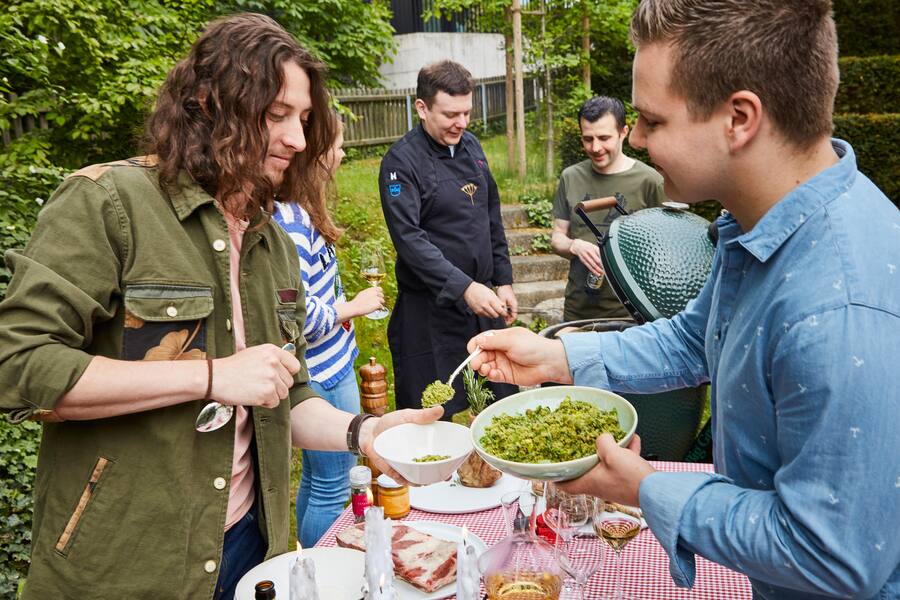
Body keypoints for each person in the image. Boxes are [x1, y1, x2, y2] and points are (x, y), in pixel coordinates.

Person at [467, 1, 900, 598]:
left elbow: (830, 555)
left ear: (739, 118)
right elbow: (696, 338)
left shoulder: (838, 309)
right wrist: (556, 359)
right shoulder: (758, 225)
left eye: (653, 120)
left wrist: (644, 489)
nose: (636, 139)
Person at [0, 14, 441, 600]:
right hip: (129, 560)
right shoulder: (109, 202)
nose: (297, 140)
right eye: (275, 114)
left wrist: (366, 432)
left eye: (304, 119)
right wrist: (211, 375)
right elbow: (19, 366)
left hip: (248, 545)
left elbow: (286, 391)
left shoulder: (274, 242)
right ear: (208, 104)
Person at [378, 60, 518, 417]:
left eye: (467, 113)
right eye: (451, 114)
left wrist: (502, 280)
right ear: (421, 108)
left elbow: (491, 217)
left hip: (482, 304)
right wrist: (463, 287)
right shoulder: (400, 163)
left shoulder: (472, 147)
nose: (462, 123)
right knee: (429, 416)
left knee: (499, 406)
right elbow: (410, 240)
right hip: (429, 314)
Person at [273, 118, 384, 547]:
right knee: (333, 485)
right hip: (318, 373)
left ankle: (305, 553)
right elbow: (294, 313)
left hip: (333, 362)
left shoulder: (304, 209)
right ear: (315, 156)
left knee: (319, 480)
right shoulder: (289, 223)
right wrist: (351, 307)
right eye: (336, 147)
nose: (341, 155)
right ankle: (324, 569)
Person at [550, 95, 667, 321]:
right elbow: (557, 237)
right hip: (579, 310)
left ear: (624, 132)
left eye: (604, 138)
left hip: (634, 314)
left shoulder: (650, 181)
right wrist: (574, 245)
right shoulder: (570, 177)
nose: (595, 148)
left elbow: (668, 252)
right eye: (587, 139)